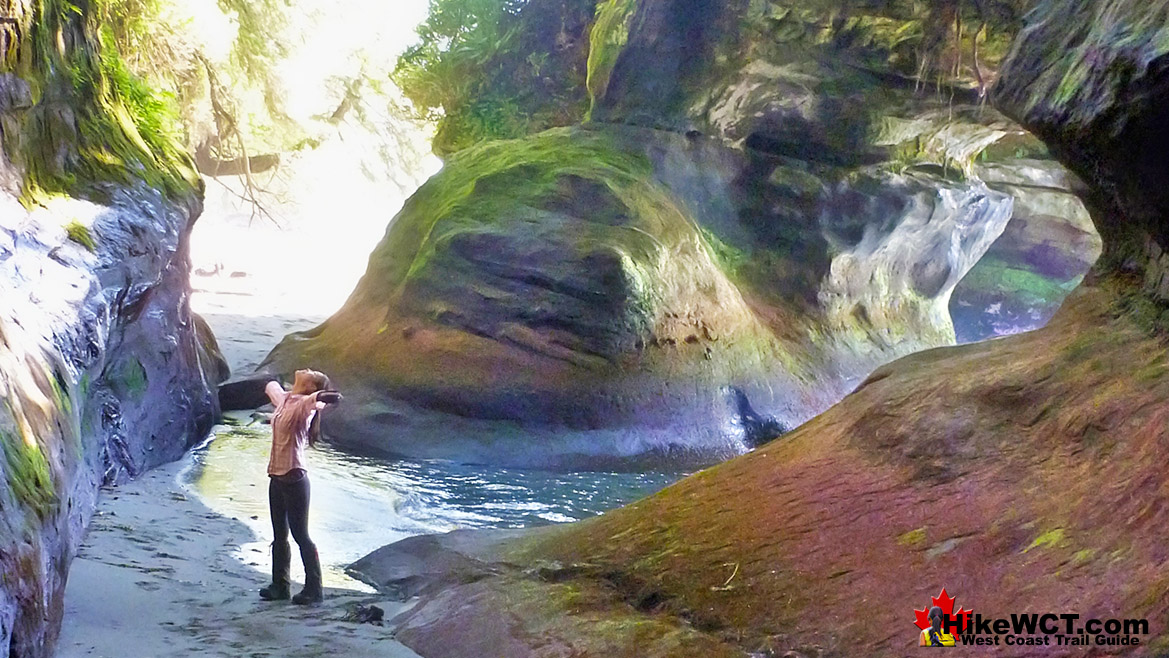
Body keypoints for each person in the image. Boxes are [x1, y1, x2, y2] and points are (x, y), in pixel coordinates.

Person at [258, 369, 342, 604]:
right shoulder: (285, 400)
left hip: (294, 477)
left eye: (312, 373)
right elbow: (270, 386)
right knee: (279, 534)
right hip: (275, 475)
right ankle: (280, 585)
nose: (307, 369)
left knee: (300, 534)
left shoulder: (305, 404)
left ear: (309, 386)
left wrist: (326, 397)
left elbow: (321, 401)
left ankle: (314, 589)